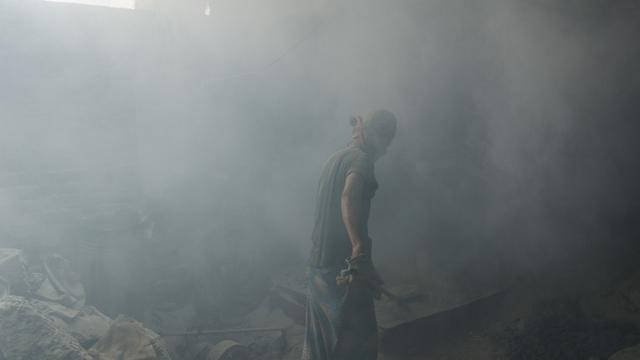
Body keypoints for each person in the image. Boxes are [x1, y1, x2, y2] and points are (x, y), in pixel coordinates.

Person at [302, 110, 397, 360]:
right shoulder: (361, 161)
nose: (386, 148)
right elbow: (349, 195)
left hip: (318, 267)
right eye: (387, 139)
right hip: (344, 270)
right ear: (376, 136)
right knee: (360, 343)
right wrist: (358, 250)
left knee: (320, 344)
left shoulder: (334, 159)